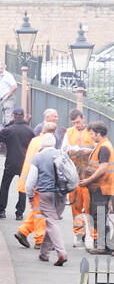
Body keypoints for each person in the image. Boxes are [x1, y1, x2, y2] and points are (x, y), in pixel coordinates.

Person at [24, 133, 77, 266]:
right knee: (51, 221)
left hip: (45, 193)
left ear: (42, 145)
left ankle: (61, 252)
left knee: (51, 221)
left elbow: (30, 181)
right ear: (54, 144)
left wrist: (30, 196)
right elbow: (72, 172)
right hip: (61, 193)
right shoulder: (63, 154)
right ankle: (44, 254)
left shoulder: (38, 157)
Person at [15, 121, 59, 245]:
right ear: (53, 134)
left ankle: (23, 232)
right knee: (40, 213)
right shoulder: (45, 145)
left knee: (36, 210)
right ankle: (40, 240)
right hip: (39, 184)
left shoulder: (35, 140)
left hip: (30, 180)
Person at [63, 111, 96, 244]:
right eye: (74, 123)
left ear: (83, 118)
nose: (76, 125)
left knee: (89, 206)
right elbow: (63, 150)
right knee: (75, 205)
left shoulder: (92, 131)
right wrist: (70, 150)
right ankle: (79, 233)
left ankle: (93, 234)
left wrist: (90, 151)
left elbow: (98, 148)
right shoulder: (69, 132)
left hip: (89, 175)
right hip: (74, 174)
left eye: (78, 122)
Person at [80, 122, 114, 251]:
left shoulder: (103, 147)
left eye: (92, 133)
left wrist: (88, 180)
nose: (90, 135)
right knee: (99, 215)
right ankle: (103, 245)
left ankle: (103, 246)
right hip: (101, 186)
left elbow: (103, 168)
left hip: (101, 186)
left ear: (98, 134)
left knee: (99, 215)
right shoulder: (102, 145)